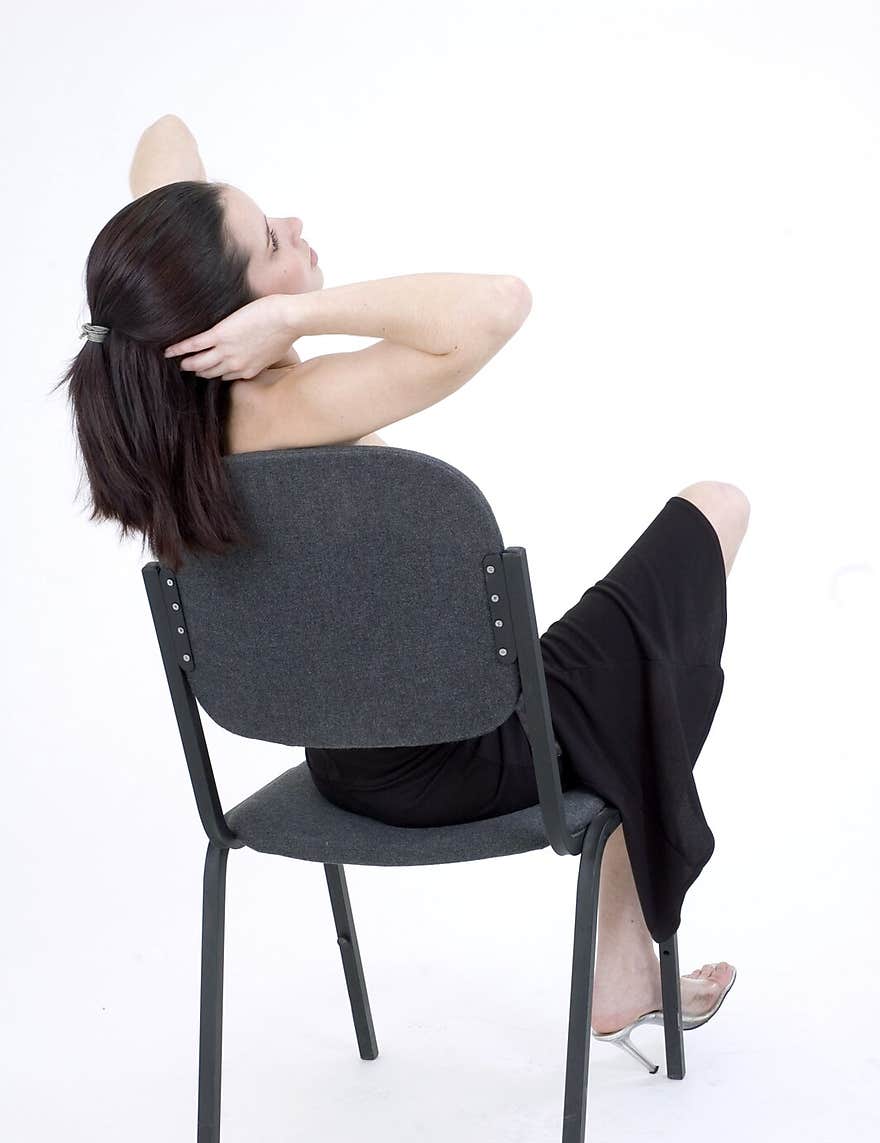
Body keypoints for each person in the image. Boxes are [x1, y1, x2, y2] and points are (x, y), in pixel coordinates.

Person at [56, 115, 745, 1064]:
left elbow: (164, 138)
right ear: (232, 317)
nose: (295, 225)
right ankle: (622, 963)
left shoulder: (176, 428)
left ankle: (622, 962)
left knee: (630, 658)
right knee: (713, 516)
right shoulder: (290, 405)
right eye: (271, 243)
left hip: (347, 764)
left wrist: (181, 254)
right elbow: (500, 302)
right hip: (478, 755)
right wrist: (295, 318)